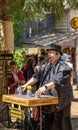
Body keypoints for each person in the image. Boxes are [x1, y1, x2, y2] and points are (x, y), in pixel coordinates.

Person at [19, 44, 73, 130]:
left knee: (61, 125)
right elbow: (36, 76)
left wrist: (45, 87)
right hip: (48, 101)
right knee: (48, 124)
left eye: (51, 52)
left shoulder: (64, 66)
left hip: (61, 101)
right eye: (48, 52)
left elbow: (57, 80)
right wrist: (26, 85)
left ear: (57, 54)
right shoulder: (46, 66)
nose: (48, 54)